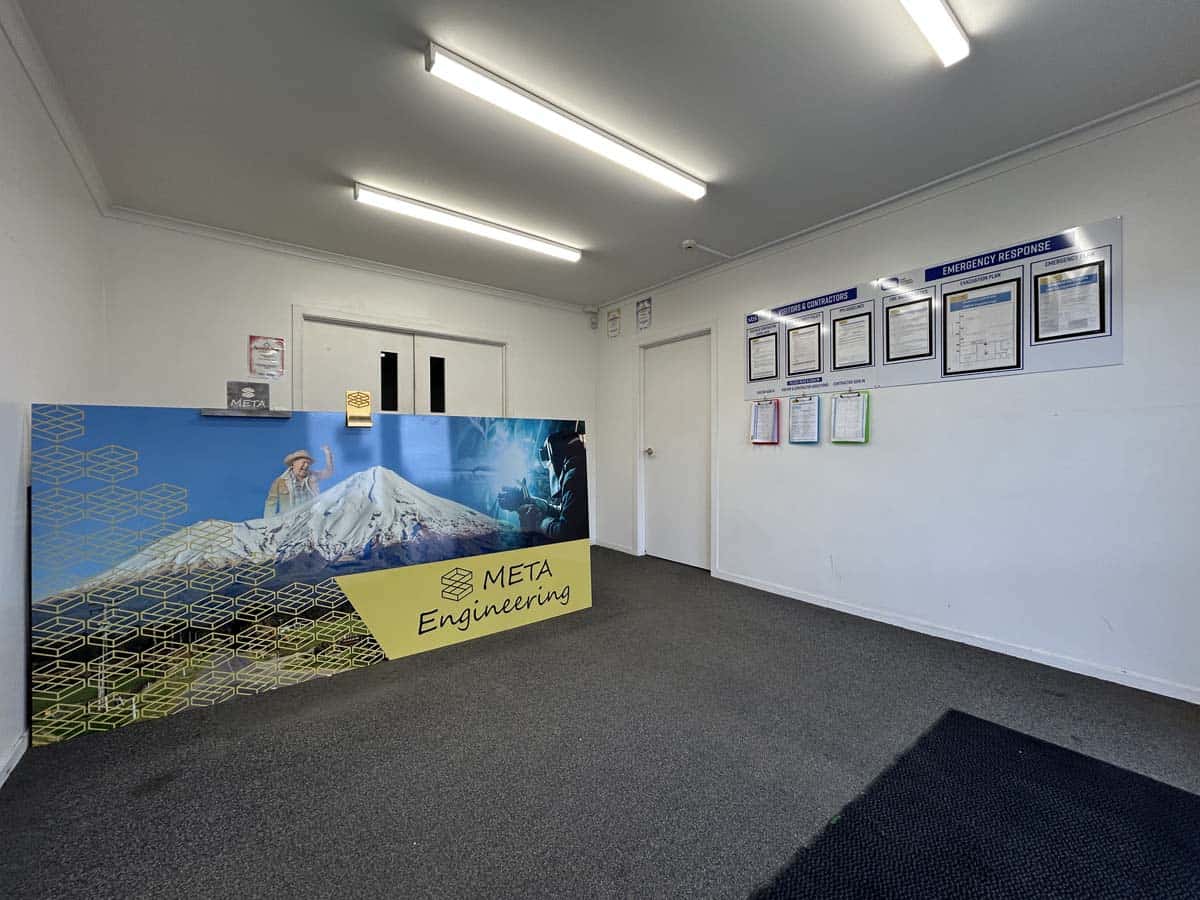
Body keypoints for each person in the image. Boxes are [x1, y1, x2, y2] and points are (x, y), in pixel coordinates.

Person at [514, 431, 588, 540]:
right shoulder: (579, 465)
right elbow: (568, 513)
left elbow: (566, 532)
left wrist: (539, 523)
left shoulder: (574, 475)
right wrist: (535, 502)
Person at [263, 446, 334, 517]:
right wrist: (268, 522)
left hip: (313, 516)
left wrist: (328, 455)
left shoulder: (312, 476)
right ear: (294, 463)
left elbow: (328, 473)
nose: (306, 466)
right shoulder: (281, 481)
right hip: (291, 521)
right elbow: (271, 503)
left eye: (308, 463)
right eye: (303, 463)